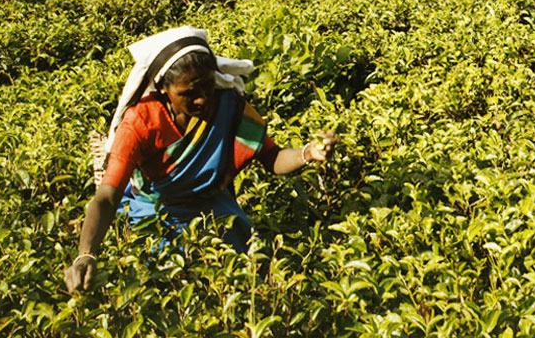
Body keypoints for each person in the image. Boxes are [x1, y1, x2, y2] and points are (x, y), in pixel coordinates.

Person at [64, 27, 337, 293]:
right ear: (163, 87)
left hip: (211, 206)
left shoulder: (226, 104)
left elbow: (272, 157)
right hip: (156, 211)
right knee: (163, 283)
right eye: (188, 93)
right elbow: (107, 196)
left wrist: (308, 152)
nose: (201, 99)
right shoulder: (140, 122)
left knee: (247, 277)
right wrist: (85, 254)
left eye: (207, 86)